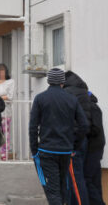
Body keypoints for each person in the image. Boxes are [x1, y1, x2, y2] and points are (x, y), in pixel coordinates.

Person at [29, 68, 89, 205]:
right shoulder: (72, 99)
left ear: (49, 81)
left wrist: (34, 150)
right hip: (66, 151)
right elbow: (84, 125)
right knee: (63, 187)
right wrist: (75, 146)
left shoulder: (40, 98)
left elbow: (33, 126)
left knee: (52, 190)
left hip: (46, 150)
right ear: (63, 81)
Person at [64, 71, 93, 205]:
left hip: (73, 141)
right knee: (77, 177)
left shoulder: (69, 93)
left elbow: (73, 121)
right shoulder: (83, 92)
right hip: (83, 140)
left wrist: (73, 143)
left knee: (75, 181)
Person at [84, 92, 106, 205]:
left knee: (86, 179)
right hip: (95, 148)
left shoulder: (92, 107)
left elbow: (95, 128)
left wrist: (83, 131)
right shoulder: (93, 106)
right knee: (95, 181)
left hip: (93, 148)